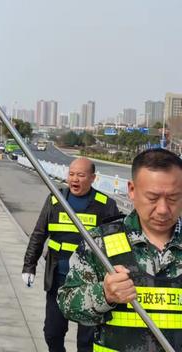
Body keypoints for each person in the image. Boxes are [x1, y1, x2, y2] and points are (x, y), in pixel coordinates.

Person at [58, 149, 182, 352]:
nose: (162, 209)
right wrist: (104, 294)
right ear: (132, 190)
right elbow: (67, 304)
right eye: (152, 197)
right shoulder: (100, 242)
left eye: (173, 198)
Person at [22, 157, 119, 352]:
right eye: (71, 174)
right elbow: (39, 234)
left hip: (92, 283)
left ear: (92, 178)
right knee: (52, 333)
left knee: (87, 341)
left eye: (81, 175)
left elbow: (115, 242)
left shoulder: (105, 205)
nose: (74, 179)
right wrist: (29, 265)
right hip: (58, 279)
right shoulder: (55, 200)